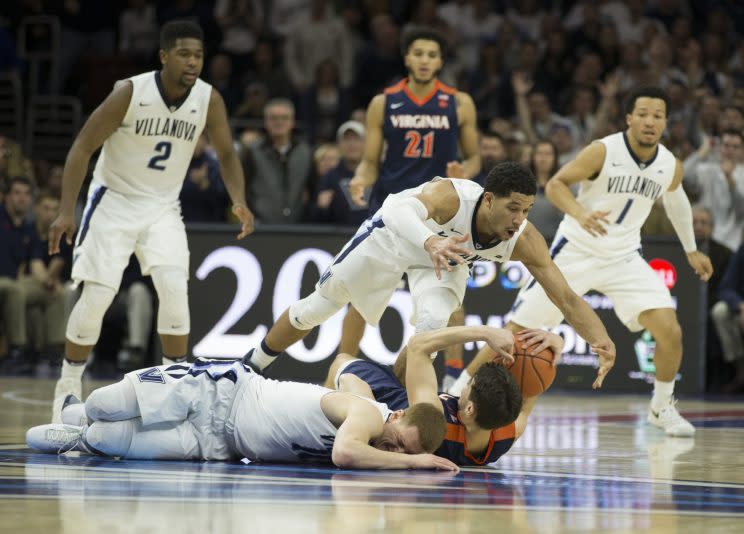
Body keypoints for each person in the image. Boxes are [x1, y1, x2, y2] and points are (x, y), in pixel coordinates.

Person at [247, 161, 616, 390]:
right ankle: (250, 367)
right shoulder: (452, 197)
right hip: (396, 236)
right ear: (488, 200)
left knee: (432, 325)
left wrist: (601, 340)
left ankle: (391, 398)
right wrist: (429, 241)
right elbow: (396, 209)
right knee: (317, 308)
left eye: (527, 210)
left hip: (443, 258)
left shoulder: (524, 239)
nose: (520, 219)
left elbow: (565, 297)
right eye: (513, 208)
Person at [47, 20, 255, 423]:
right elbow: (82, 147)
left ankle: (171, 391)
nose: (193, 61)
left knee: (176, 291)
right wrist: (65, 210)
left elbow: (228, 155)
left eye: (198, 55)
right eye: (184, 53)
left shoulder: (209, 99)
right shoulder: (129, 92)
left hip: (162, 206)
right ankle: (67, 390)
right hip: (114, 201)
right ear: (164, 56)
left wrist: (239, 200)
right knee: (98, 296)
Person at [505, 86, 713, 437]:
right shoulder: (603, 150)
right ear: (629, 118)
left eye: (658, 115)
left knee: (670, 331)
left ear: (665, 122)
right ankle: (465, 387)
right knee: (515, 333)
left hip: (624, 256)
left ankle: (661, 407)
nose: (650, 121)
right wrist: (580, 212)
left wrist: (691, 249)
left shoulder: (668, 165)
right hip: (577, 249)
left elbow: (676, 201)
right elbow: (556, 185)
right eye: (643, 113)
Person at [26, 358, 457, 472]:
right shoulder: (366, 419)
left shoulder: (372, 436)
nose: (391, 448)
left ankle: (80, 436)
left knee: (105, 442)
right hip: (217, 392)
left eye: (401, 451)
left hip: (219, 445)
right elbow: (345, 453)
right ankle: (79, 412)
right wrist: (413, 460)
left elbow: (350, 384)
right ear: (397, 415)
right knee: (104, 404)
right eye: (398, 441)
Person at [342, 28, 481, 360]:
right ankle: (339, 368)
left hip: (442, 212)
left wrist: (464, 174)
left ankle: (449, 381)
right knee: (360, 297)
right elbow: (371, 161)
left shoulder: (459, 102)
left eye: (432, 55)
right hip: (395, 208)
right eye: (418, 53)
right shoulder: (384, 102)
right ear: (407, 57)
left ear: (440, 61)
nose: (424, 60)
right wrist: (360, 179)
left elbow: (474, 157)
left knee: (451, 302)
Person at [325, 325, 569, 466]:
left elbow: (418, 346)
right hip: (406, 393)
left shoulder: (434, 417)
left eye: (468, 385)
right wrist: (552, 346)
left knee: (341, 361)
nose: (463, 387)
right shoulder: (510, 430)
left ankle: (322, 427)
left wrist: (483, 333)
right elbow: (532, 389)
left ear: (470, 409)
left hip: (382, 398)